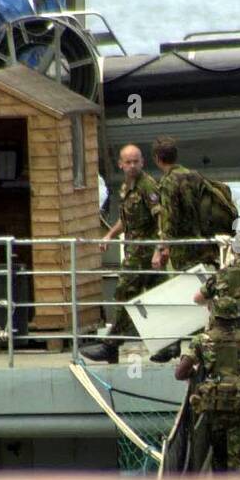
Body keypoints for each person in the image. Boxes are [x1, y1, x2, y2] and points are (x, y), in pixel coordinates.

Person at [81, 145, 161, 364]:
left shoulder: (147, 186)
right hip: (133, 250)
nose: (132, 166)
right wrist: (109, 236)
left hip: (145, 253)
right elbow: (125, 220)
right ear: (121, 164)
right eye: (128, 162)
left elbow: (161, 219)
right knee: (147, 297)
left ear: (143, 162)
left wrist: (159, 250)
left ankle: (111, 346)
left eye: (136, 161)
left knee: (124, 295)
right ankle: (163, 346)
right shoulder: (127, 187)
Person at [174, 298, 240, 472]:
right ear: (236, 318)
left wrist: (195, 375)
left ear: (214, 317)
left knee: (218, 458)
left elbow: (180, 373)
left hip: (214, 408)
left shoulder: (201, 340)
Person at [151, 136, 220, 272]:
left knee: (188, 288)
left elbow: (169, 220)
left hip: (184, 251)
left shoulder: (168, 182)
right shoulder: (195, 176)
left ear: (157, 159)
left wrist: (160, 250)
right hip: (206, 245)